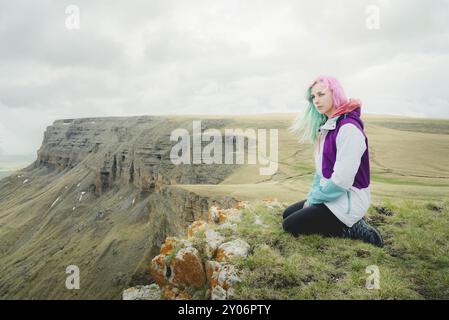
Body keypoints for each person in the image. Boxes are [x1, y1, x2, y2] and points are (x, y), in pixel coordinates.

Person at [284, 75, 383, 247]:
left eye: (321, 94)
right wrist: (312, 197)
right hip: (333, 196)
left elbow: (341, 181)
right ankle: (343, 222)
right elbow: (320, 174)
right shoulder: (328, 127)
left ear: (335, 93)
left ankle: (357, 231)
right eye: (313, 97)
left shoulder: (348, 128)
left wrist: (313, 202)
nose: (316, 100)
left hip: (348, 200)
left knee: (290, 225)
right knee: (288, 214)